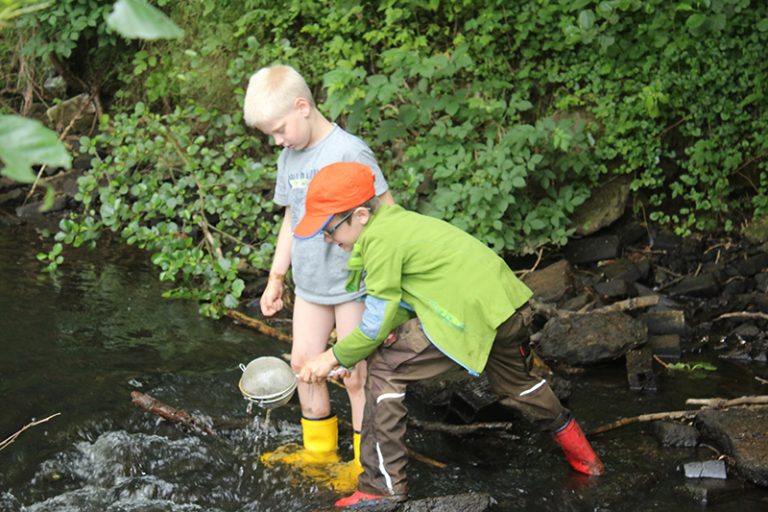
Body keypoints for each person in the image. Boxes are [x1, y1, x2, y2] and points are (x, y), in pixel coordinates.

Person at [295, 162, 605, 508]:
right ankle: (585, 459)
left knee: (384, 372)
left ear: (362, 215)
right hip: (507, 308)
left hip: (463, 318)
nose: (327, 239)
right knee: (516, 384)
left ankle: (381, 488)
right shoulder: (400, 222)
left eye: (329, 229)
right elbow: (401, 303)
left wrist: (334, 355)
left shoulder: (379, 241)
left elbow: (376, 322)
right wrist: (361, 349)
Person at [242, 65, 395, 487]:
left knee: (353, 374)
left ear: (302, 107)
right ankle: (319, 454)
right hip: (310, 287)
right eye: (270, 135)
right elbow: (293, 217)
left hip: (352, 285)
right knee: (303, 365)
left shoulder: (349, 150)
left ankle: (364, 466)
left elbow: (387, 211)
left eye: (279, 130)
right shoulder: (289, 159)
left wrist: (390, 276)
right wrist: (276, 276)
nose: (277, 140)